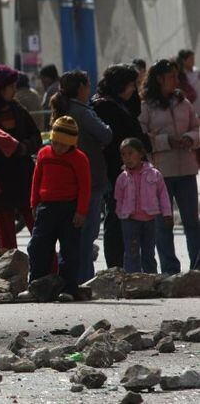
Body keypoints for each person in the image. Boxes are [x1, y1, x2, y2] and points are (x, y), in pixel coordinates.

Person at [50, 70, 113, 283]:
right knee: (86, 236)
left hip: (67, 183)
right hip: (90, 180)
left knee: (73, 236)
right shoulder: (82, 113)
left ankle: (71, 278)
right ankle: (83, 280)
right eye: (87, 85)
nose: (90, 89)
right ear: (81, 88)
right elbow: (105, 134)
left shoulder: (62, 110)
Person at [139, 59, 200, 273]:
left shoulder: (183, 102)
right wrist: (166, 141)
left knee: (192, 222)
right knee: (163, 224)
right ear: (159, 78)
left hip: (187, 170)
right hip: (161, 173)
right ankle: (170, 270)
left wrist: (189, 138)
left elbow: (197, 128)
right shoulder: (146, 105)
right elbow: (142, 138)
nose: (176, 80)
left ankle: (196, 268)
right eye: (172, 76)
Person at [0, 65, 42, 249]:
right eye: (11, 86)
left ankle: (48, 271)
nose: (14, 90)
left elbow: (36, 137)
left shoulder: (18, 110)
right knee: (5, 236)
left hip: (25, 179)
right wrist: (3, 150)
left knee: (38, 230)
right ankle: (10, 274)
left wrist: (23, 147)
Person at [91, 64, 151, 269]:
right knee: (116, 219)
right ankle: (115, 266)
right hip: (114, 171)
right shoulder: (104, 106)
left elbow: (134, 113)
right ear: (120, 85)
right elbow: (121, 135)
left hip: (128, 170)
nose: (134, 89)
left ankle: (130, 265)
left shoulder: (119, 104)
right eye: (131, 84)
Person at [27, 116, 91, 298]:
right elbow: (36, 179)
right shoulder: (43, 154)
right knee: (38, 247)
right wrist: (34, 203)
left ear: (72, 143)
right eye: (55, 143)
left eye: (63, 145)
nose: (58, 148)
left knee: (69, 251)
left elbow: (85, 187)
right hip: (46, 208)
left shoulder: (80, 159)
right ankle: (36, 286)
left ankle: (68, 289)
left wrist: (81, 211)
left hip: (69, 210)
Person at [114, 138, 173, 273]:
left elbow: (163, 195)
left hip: (150, 221)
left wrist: (167, 213)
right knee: (132, 252)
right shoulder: (122, 178)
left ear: (141, 154)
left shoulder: (155, 174)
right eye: (123, 154)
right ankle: (132, 281)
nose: (127, 158)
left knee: (149, 252)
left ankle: (151, 280)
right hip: (130, 221)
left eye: (130, 153)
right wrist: (121, 215)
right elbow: (119, 198)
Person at [39, 64, 61, 130]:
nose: (42, 82)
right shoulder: (61, 84)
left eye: (43, 78)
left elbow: (46, 110)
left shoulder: (51, 90)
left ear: (50, 77)